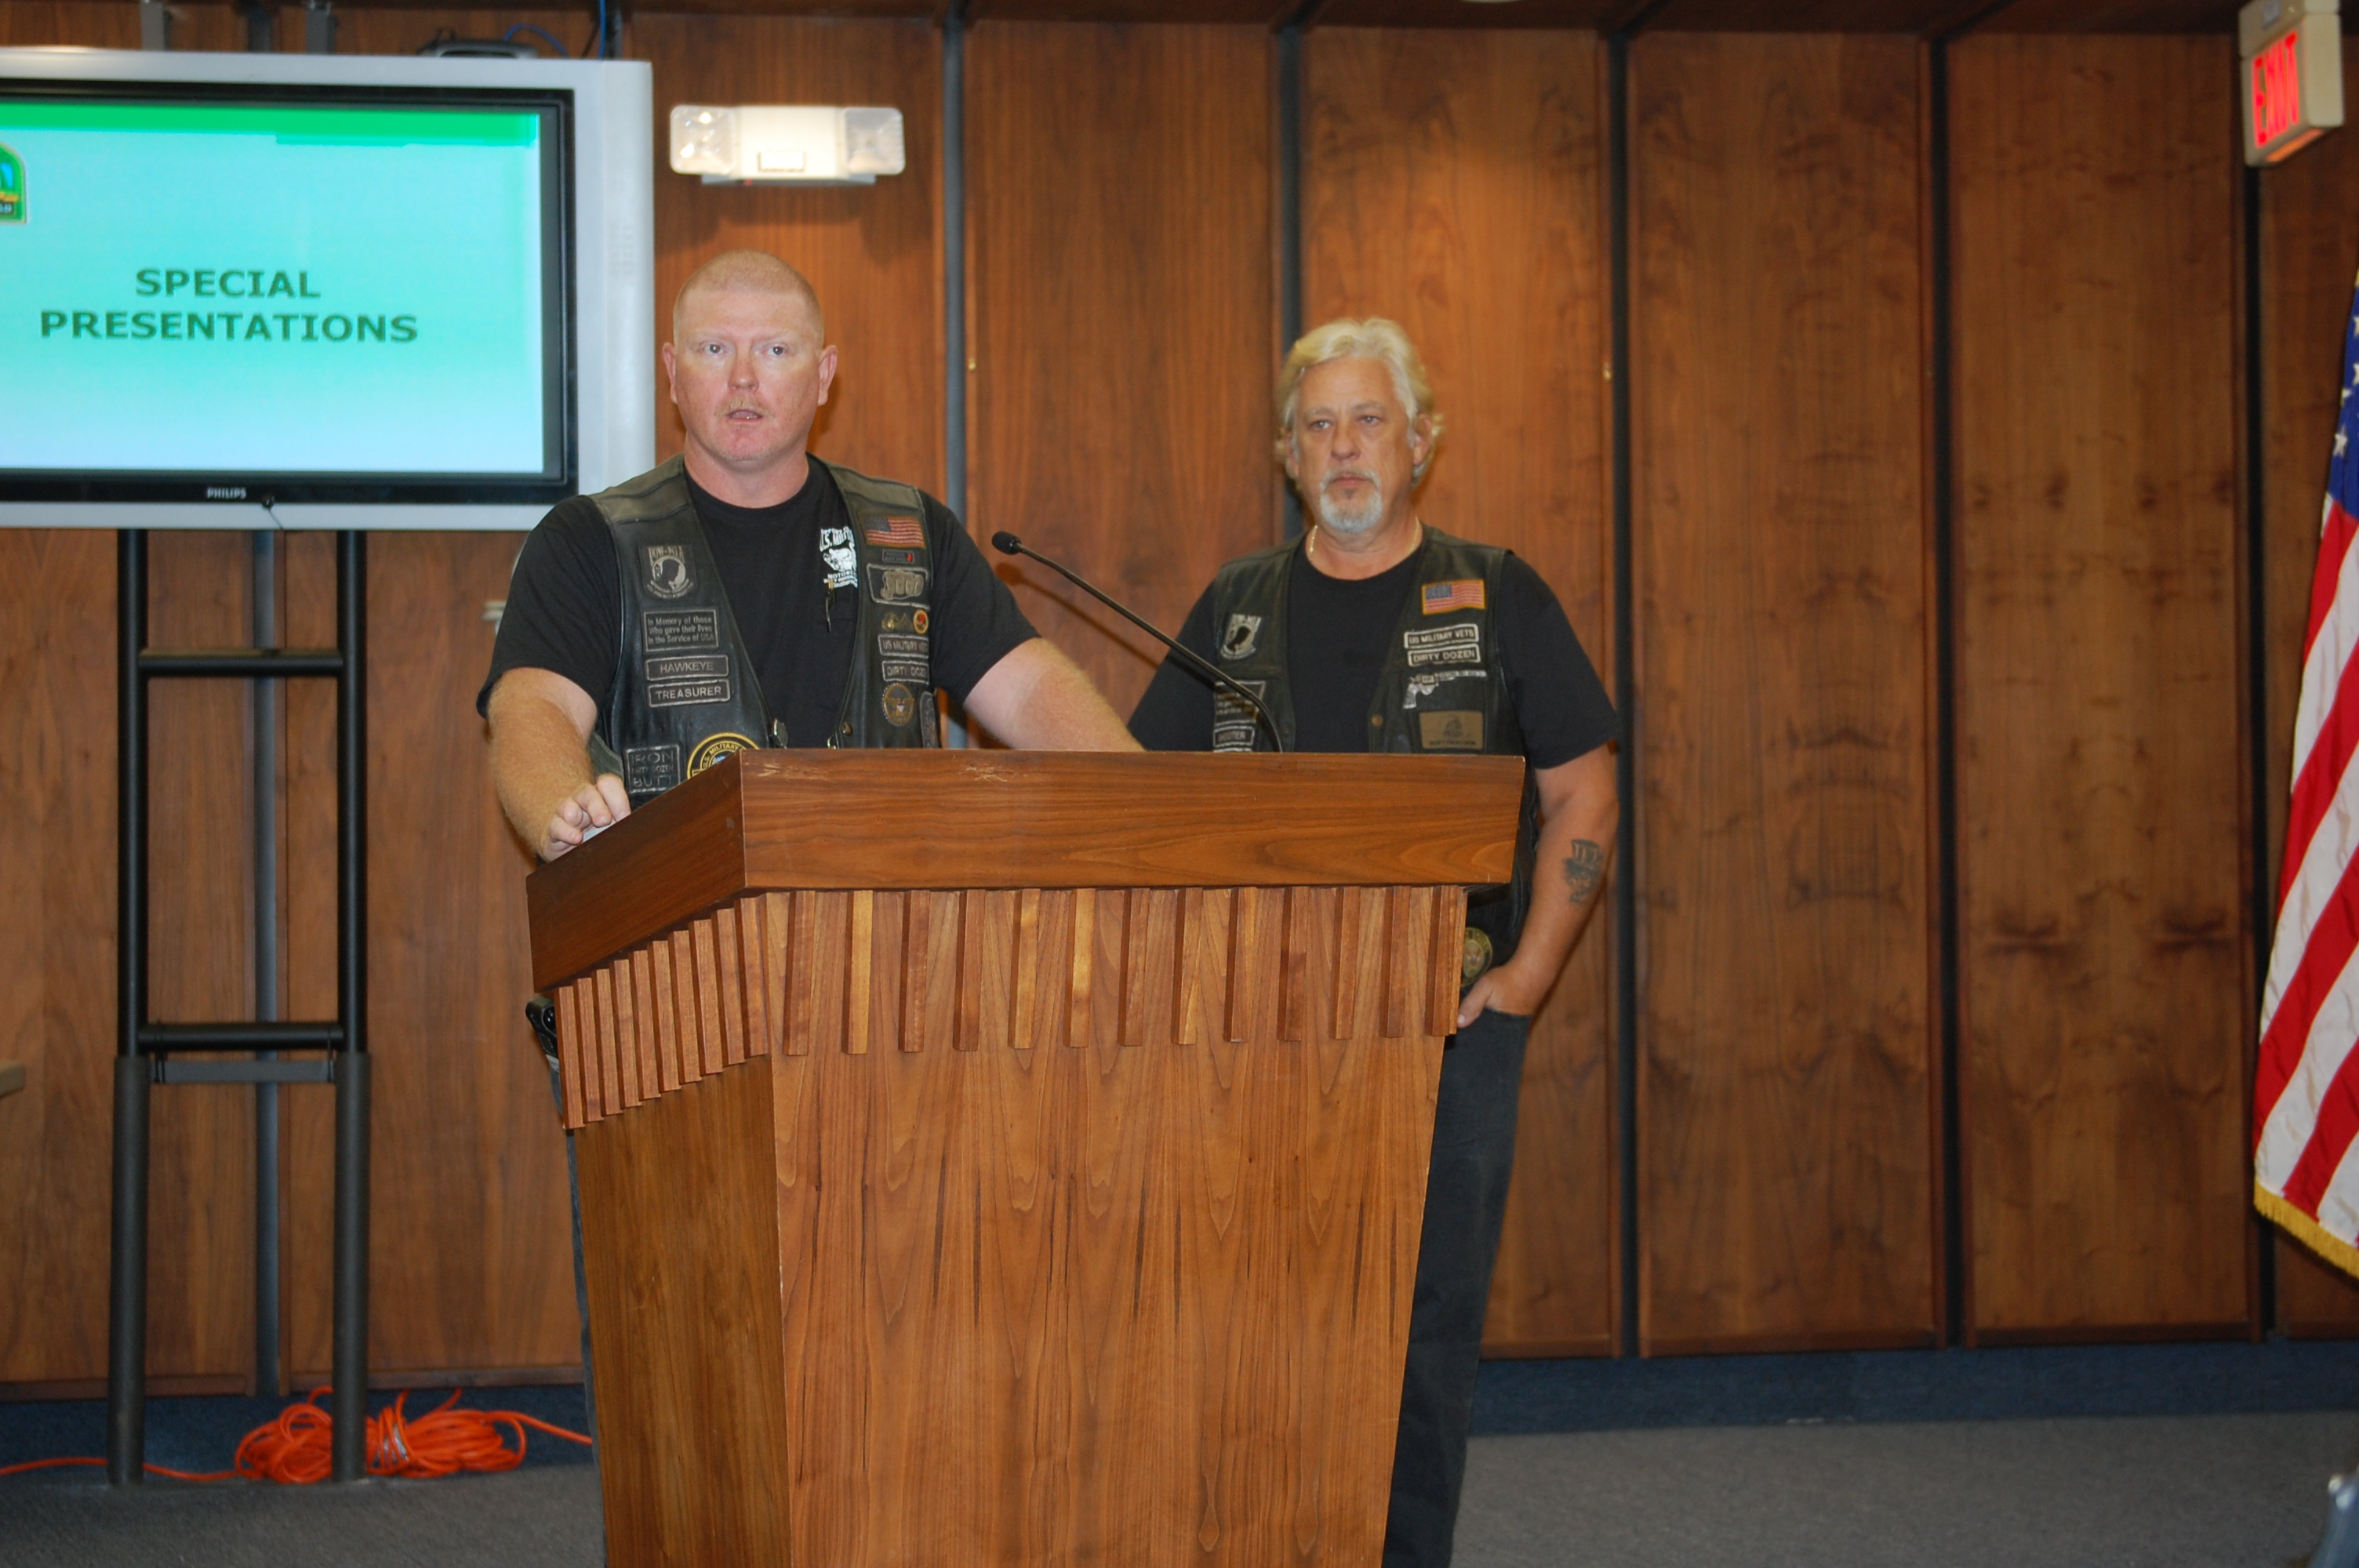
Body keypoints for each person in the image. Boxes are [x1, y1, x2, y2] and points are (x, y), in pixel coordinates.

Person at [1129, 318, 1619, 1568]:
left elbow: (1585, 790)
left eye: (1369, 422)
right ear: (1288, 455)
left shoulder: (1498, 592)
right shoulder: (1234, 609)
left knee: (1423, 1323)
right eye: (1319, 427)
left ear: (1421, 442)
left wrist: (1528, 976)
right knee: (1248, 1311)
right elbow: (1140, 805)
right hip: (1257, 1032)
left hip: (1447, 1031)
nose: (1344, 448)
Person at [482, 249, 1135, 861]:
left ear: (823, 376)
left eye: (774, 350)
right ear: (673, 373)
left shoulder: (909, 534)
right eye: (714, 349)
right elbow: (534, 707)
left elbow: (1026, 693)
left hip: (886, 935)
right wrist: (565, 812)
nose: (743, 378)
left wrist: (1151, 802)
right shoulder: (589, 539)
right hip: (677, 943)